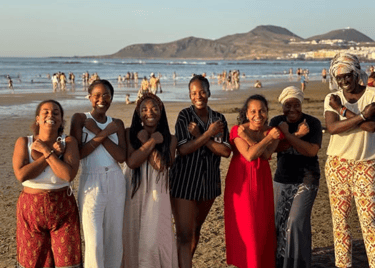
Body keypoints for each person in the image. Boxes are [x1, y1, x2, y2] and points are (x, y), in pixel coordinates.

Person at [169, 75, 231, 268]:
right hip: (184, 182)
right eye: (194, 93)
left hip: (208, 184)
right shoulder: (184, 116)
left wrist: (201, 137)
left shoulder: (218, 119)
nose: (198, 96)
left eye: (202, 91)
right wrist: (208, 134)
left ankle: (183, 263)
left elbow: (225, 151)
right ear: (189, 95)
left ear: (209, 92)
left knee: (196, 229)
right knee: (184, 234)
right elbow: (183, 149)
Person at [13, 100, 82, 268]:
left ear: (61, 120)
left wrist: (46, 151)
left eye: (56, 113)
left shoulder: (69, 142)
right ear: (37, 119)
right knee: (32, 260)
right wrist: (51, 154)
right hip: (30, 209)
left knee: (68, 259)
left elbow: (67, 175)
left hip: (63, 208)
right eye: (45, 112)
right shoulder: (24, 142)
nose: (50, 115)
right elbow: (22, 175)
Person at [324, 53, 375, 268]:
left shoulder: (372, 95)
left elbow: (371, 128)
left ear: (356, 73)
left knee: (369, 222)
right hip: (337, 165)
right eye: (339, 78)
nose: (343, 82)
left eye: (347, 76)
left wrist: (341, 111)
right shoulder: (332, 98)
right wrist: (361, 115)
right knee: (340, 223)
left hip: (366, 164)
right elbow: (333, 128)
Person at [70, 79, 126, 267]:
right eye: (96, 95)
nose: (101, 99)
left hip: (116, 181)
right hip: (91, 180)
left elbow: (121, 156)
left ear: (111, 98)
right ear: (89, 97)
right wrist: (102, 133)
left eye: (106, 95)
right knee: (93, 242)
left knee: (114, 238)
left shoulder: (116, 123)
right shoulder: (80, 118)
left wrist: (98, 133)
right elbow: (78, 154)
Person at [121, 93, 178, 268]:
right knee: (132, 234)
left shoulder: (171, 138)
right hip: (133, 189)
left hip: (157, 190)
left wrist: (150, 141)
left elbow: (161, 166)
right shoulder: (129, 133)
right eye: (144, 109)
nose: (149, 112)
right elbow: (131, 162)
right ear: (138, 113)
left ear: (161, 111)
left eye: (154, 108)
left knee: (154, 238)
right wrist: (151, 141)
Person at [224, 94, 280, 268]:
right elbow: (249, 155)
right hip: (240, 186)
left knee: (262, 228)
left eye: (262, 110)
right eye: (253, 111)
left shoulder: (273, 132)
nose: (258, 115)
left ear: (267, 112)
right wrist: (268, 139)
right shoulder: (236, 130)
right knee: (246, 229)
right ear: (247, 114)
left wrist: (262, 138)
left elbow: (264, 154)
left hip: (262, 184)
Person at [269, 86, 322, 268]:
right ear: (282, 106)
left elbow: (311, 151)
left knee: (296, 221)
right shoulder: (276, 121)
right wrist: (298, 135)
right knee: (278, 222)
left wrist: (289, 136)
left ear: (301, 104)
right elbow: (272, 148)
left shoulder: (313, 123)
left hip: (307, 179)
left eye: (296, 105)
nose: (292, 109)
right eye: (287, 105)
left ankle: (299, 264)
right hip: (282, 178)